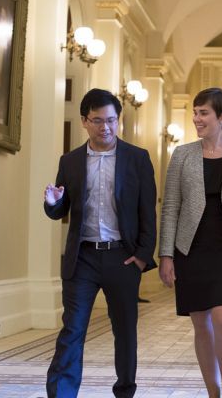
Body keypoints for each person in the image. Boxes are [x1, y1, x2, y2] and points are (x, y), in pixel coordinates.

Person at [43, 88, 157, 398]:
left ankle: (125, 391)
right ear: (84, 121)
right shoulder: (70, 161)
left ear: (118, 120)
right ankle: (62, 393)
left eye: (111, 120)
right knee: (72, 330)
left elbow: (148, 210)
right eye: (97, 121)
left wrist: (143, 256)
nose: (105, 128)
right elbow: (60, 210)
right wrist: (53, 202)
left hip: (123, 258)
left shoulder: (137, 158)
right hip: (83, 259)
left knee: (124, 332)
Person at [158, 88, 222, 398]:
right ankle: (213, 391)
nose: (196, 118)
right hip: (191, 248)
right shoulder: (182, 154)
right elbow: (171, 205)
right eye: (195, 112)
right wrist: (166, 255)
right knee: (201, 323)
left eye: (204, 113)